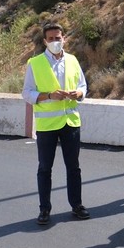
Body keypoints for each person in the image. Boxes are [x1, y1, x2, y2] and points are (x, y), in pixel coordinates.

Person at [22, 23, 90, 226]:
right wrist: (49, 95)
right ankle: (44, 209)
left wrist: (78, 94)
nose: (55, 42)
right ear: (44, 41)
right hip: (47, 125)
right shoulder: (35, 63)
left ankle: (76, 205)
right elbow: (27, 93)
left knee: (73, 168)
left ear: (64, 39)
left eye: (58, 38)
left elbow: (82, 85)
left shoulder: (72, 60)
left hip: (70, 122)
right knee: (45, 168)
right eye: (50, 39)